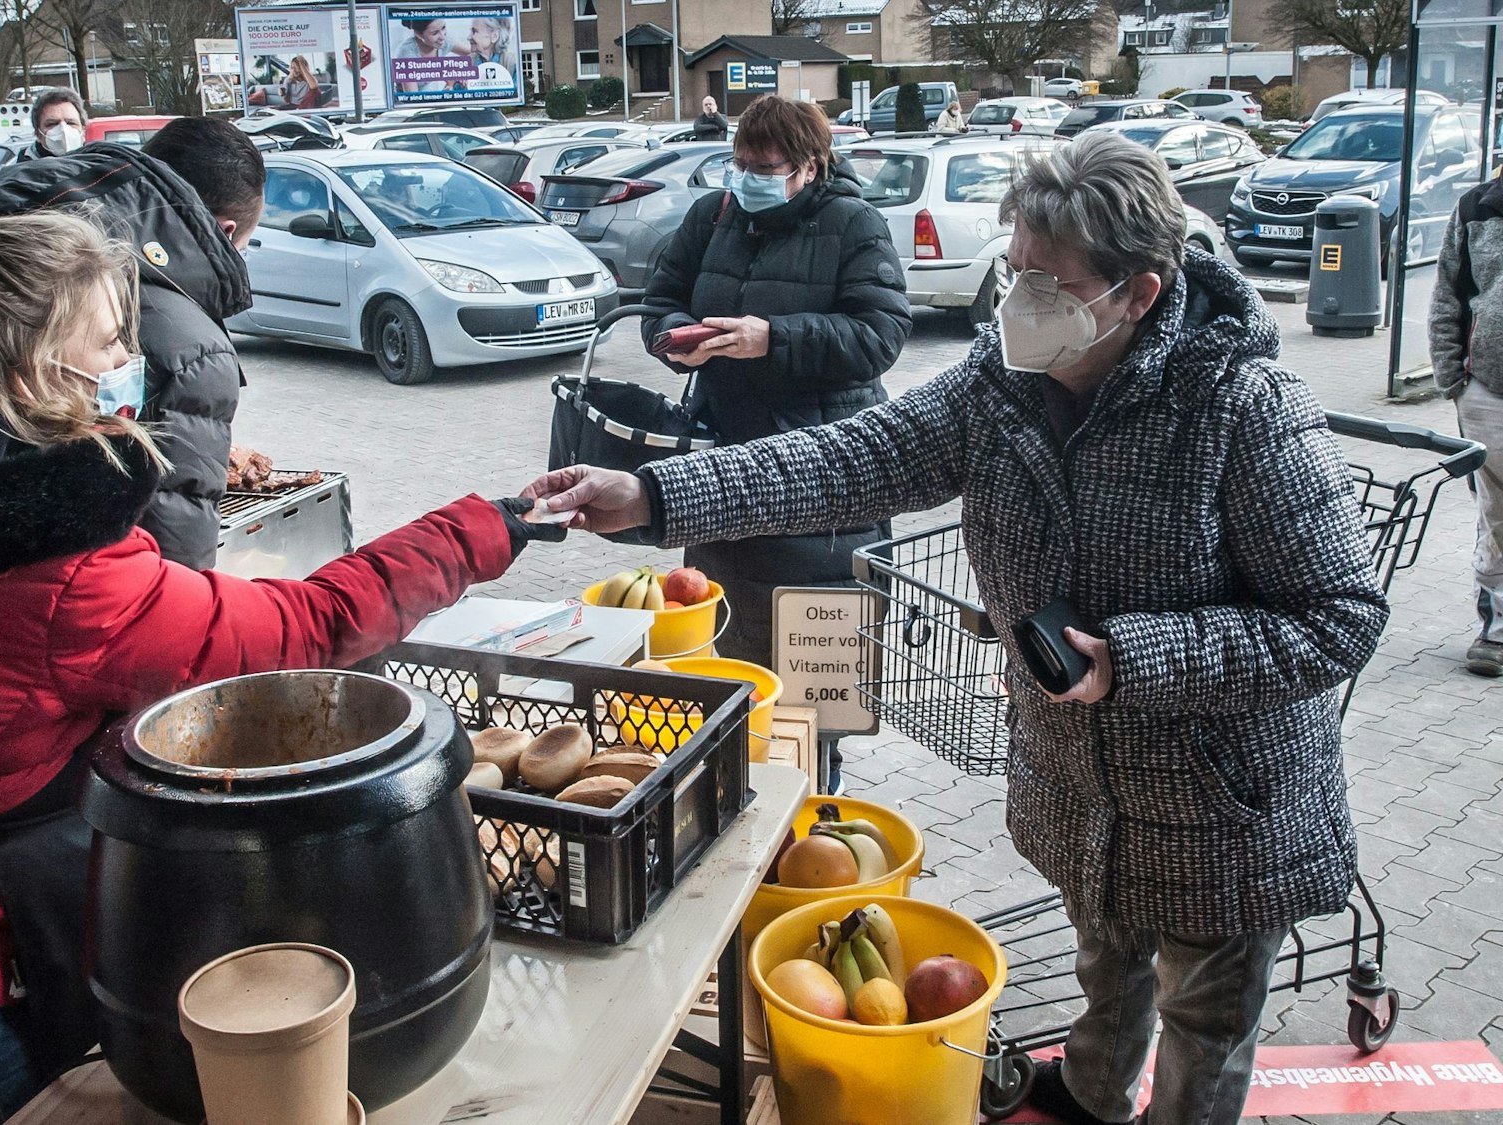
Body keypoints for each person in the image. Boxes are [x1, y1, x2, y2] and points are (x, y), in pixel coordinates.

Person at [527, 133, 1389, 1125]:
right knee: (1104, 953)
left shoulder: (1242, 407)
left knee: (1204, 1013)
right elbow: (849, 459)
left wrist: (1137, 659)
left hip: (1218, 802)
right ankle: (1094, 1093)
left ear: (1137, 294)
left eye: (1049, 283)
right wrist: (649, 492)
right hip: (1081, 780)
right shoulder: (1002, 384)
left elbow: (1340, 616)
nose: (1017, 299)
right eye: (1015, 270)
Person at [0, 212, 559, 1125]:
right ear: (34, 365)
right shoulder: (50, 567)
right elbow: (305, 628)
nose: (128, 359)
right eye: (112, 338)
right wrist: (480, 528)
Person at [0, 115, 263, 573]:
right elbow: (177, 532)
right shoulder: (193, 347)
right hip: (70, 583)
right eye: (110, 341)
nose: (120, 356)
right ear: (225, 230)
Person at [639, 94, 910, 665]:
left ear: (809, 166)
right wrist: (677, 341)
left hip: (824, 470)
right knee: (727, 641)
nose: (746, 179)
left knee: (816, 668)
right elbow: (660, 301)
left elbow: (880, 335)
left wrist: (774, 338)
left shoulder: (853, 223)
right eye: (739, 165)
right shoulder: (713, 216)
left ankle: (819, 731)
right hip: (721, 461)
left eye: (764, 169)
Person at [1427, 174, 1503, 677]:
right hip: (1488, 392)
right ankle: (1496, 631)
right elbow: (1447, 294)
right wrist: (1454, 380)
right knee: (1498, 516)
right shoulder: (1478, 207)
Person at [396, 18, 451, 93]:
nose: (443, 37)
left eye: (443, 27)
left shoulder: (442, 41)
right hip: (409, 98)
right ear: (419, 34)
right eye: (435, 33)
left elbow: (469, 52)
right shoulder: (407, 53)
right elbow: (413, 97)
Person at [30, 87, 87, 157]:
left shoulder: (98, 160)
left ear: (83, 131)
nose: (63, 130)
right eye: (52, 124)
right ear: (38, 134)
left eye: (71, 123)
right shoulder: (24, 163)